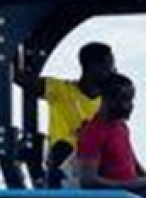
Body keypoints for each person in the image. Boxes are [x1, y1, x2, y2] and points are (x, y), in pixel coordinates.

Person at [15, 41, 116, 187]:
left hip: (96, 166)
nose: (114, 71)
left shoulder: (108, 103)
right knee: (64, 147)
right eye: (109, 66)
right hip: (65, 165)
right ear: (93, 67)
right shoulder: (60, 90)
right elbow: (19, 78)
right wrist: (16, 43)